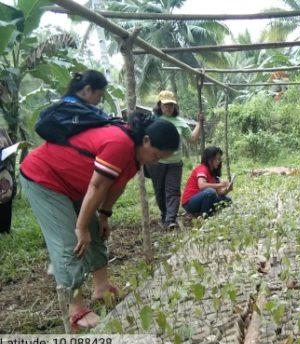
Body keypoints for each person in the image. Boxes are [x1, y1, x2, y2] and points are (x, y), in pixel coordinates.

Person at [21, 112, 180, 330]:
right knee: (69, 241)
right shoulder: (120, 143)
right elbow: (97, 186)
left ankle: (101, 286)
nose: (156, 161)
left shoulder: (136, 156)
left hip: (74, 183)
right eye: (156, 155)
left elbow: (116, 185)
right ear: (146, 140)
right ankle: (75, 309)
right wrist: (80, 227)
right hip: (44, 177)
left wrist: (104, 215)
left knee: (96, 230)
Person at [145, 90, 204, 229]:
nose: (168, 108)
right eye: (165, 105)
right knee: (159, 191)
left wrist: (199, 124)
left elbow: (193, 139)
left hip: (175, 163)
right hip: (156, 162)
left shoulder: (180, 122)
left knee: (172, 190)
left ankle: (170, 219)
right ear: (159, 105)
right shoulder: (153, 120)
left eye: (171, 105)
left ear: (175, 106)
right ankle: (165, 214)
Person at [182, 146, 232, 217]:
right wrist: (221, 184)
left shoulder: (213, 173)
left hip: (202, 199)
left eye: (219, 159)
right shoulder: (202, 169)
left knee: (227, 200)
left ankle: (206, 212)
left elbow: (218, 192)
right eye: (215, 159)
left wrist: (228, 189)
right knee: (210, 192)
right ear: (208, 159)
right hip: (189, 203)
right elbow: (202, 186)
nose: (218, 161)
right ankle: (204, 216)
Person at [0, 128, 16, 234]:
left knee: (5, 199)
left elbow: (12, 151)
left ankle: (5, 229)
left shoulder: (2, 131)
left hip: (4, 171)